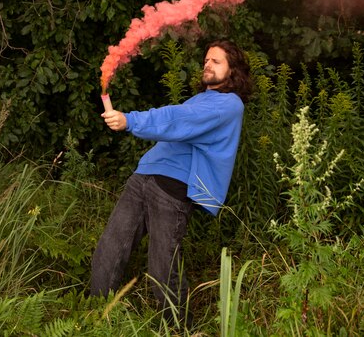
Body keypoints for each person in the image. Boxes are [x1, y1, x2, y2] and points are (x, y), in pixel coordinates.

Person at [90, 39, 252, 326]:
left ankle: (179, 329)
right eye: (206, 59)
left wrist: (130, 120)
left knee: (163, 267)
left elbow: (178, 118)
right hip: (144, 176)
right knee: (111, 247)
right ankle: (95, 316)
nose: (207, 64)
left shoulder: (229, 105)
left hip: (172, 188)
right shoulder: (201, 98)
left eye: (216, 61)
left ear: (233, 70)